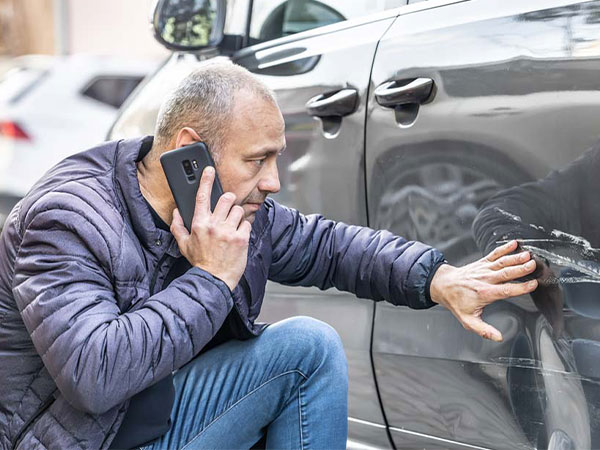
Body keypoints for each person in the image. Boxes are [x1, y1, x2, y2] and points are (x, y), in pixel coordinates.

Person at [0, 62, 538, 450]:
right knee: (306, 348)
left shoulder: (223, 207)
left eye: (277, 158)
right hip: (87, 438)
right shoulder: (68, 218)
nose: (274, 182)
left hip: (150, 418)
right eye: (258, 160)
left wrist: (437, 278)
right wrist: (211, 279)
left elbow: (329, 246)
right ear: (189, 150)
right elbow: (94, 377)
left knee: (307, 347)